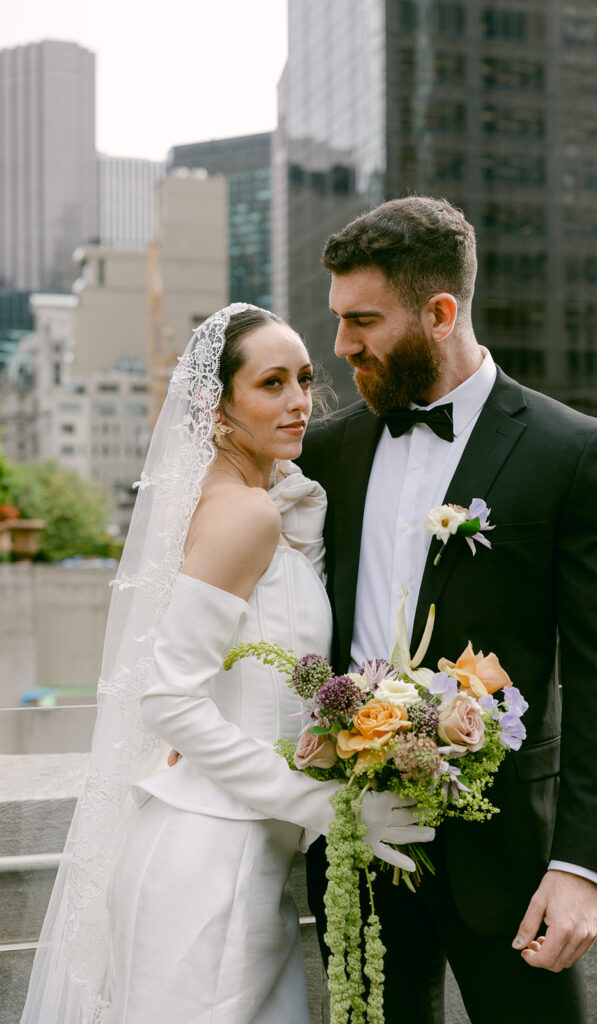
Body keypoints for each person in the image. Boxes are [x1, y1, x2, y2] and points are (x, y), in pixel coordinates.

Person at [20, 303, 431, 1024]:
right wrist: (333, 809)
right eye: (271, 383)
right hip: (214, 866)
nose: (301, 400)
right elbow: (168, 701)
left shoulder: (243, 501)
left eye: (305, 379)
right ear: (218, 407)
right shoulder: (246, 515)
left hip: (230, 855)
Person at [299, 197, 597, 1024]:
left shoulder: (575, 453)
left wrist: (582, 866)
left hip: (514, 859)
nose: (342, 344)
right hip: (354, 850)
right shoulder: (328, 451)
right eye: (339, 320)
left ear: (440, 312)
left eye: (362, 321)